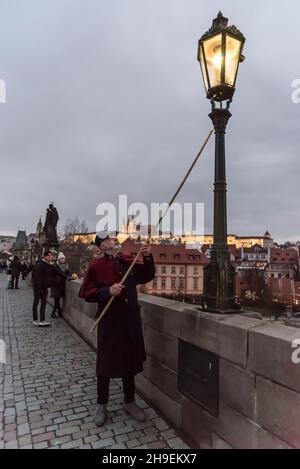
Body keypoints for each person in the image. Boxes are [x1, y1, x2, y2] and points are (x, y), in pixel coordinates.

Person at [79, 231, 155, 427]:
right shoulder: (96, 266)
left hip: (129, 320)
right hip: (110, 321)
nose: (114, 240)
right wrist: (107, 291)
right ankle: (101, 405)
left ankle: (129, 402)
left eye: (113, 238)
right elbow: (85, 292)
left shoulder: (127, 260)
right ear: (102, 246)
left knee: (129, 363)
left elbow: (146, 276)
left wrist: (147, 257)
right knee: (105, 364)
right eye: (109, 239)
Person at [32, 251, 53, 327]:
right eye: (49, 255)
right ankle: (35, 319)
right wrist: (39, 288)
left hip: (45, 287)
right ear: (45, 257)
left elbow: (57, 272)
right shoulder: (40, 264)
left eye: (51, 255)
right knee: (36, 302)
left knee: (43, 304)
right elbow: (37, 277)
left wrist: (67, 277)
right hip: (38, 287)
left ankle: (42, 320)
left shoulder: (49, 265)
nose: (51, 257)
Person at [51, 252, 70, 318]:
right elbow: (60, 273)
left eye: (63, 259)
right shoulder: (55, 266)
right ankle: (54, 313)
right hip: (56, 285)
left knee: (58, 300)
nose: (62, 260)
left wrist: (70, 277)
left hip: (62, 285)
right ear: (59, 259)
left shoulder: (66, 266)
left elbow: (68, 274)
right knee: (57, 300)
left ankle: (58, 312)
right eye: (61, 259)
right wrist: (66, 277)